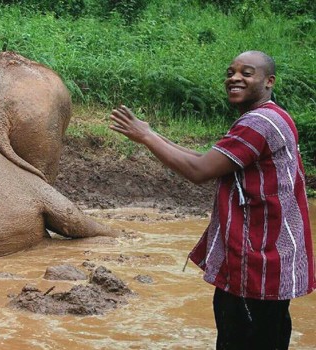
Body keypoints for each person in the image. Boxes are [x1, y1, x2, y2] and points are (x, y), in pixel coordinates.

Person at [109, 51, 315, 349]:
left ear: (269, 81)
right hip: (269, 262)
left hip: (255, 266)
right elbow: (205, 159)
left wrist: (146, 138)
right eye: (231, 72)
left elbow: (198, 171)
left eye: (247, 73)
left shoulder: (257, 123)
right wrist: (151, 132)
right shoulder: (274, 116)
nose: (234, 78)